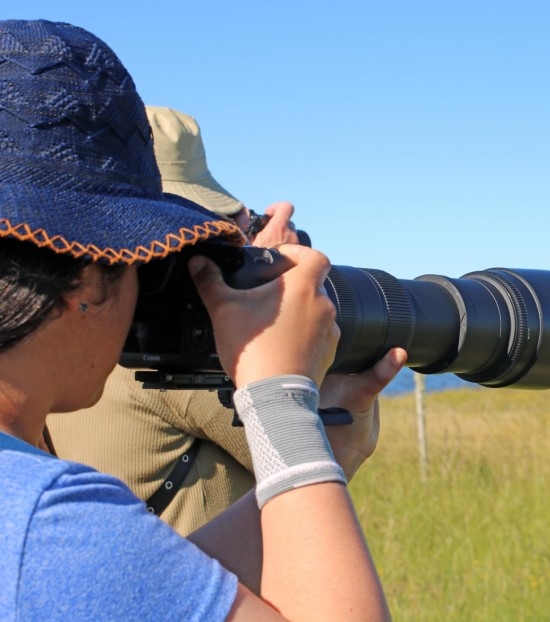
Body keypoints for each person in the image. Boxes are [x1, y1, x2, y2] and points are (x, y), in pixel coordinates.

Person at [0, 19, 399, 620]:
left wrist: (325, 451)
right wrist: (281, 398)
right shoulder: (45, 518)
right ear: (86, 274)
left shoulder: (46, 527)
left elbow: (140, 593)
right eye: (146, 263)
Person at [45, 105, 395, 535]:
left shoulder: (68, 339)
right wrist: (270, 290)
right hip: (217, 595)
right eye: (204, 230)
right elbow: (309, 457)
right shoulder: (174, 356)